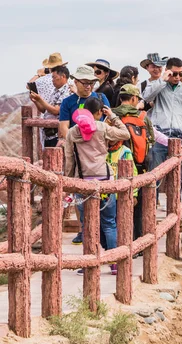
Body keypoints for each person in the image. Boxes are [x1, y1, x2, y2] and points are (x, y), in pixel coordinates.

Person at [63, 97, 130, 275]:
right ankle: (114, 263)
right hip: (104, 180)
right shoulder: (102, 127)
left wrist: (69, 184)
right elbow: (125, 134)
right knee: (109, 223)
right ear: (100, 112)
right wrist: (113, 116)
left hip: (83, 183)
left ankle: (89, 264)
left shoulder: (72, 132)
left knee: (86, 225)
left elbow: (69, 160)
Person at [59, 65, 111, 245]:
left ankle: (102, 234)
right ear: (76, 82)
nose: (88, 86)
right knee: (79, 194)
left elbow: (107, 121)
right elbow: (64, 127)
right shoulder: (68, 102)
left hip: (99, 154)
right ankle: (84, 230)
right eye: (84, 83)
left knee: (103, 197)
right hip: (79, 154)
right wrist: (75, 141)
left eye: (91, 83)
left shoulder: (101, 98)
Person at [143, 57, 182, 180]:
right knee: (154, 175)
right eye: (174, 73)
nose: (177, 77)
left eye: (180, 74)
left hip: (180, 137)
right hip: (159, 137)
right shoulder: (158, 85)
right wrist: (162, 80)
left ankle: (176, 200)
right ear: (167, 71)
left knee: (177, 177)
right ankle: (153, 199)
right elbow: (146, 97)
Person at [112, 84, 155, 242]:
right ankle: (138, 241)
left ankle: (120, 241)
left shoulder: (112, 115)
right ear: (134, 98)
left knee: (116, 207)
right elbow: (152, 140)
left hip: (116, 166)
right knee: (138, 208)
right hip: (139, 167)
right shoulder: (143, 117)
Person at [29, 65, 70, 148]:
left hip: (57, 134)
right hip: (48, 133)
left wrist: (40, 100)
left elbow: (56, 111)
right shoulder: (55, 91)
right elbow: (44, 110)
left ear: (63, 77)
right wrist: (36, 101)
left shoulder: (66, 91)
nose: (52, 80)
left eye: (54, 77)